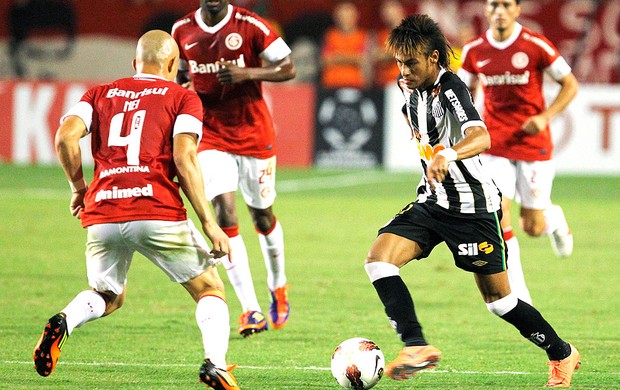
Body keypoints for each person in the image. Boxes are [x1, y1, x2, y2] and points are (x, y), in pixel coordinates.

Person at [364, 14, 580, 388]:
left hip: (473, 209)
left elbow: (481, 136)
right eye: (399, 62)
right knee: (379, 261)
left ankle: (562, 353)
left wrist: (446, 154)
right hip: (432, 201)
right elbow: (415, 117)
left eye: (411, 63)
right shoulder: (407, 87)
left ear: (434, 58)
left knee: (500, 302)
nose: (404, 70)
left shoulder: (452, 87)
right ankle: (416, 346)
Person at [33, 30, 239, 389]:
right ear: (173, 64)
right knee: (210, 289)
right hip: (156, 208)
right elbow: (184, 155)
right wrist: (210, 223)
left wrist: (79, 188)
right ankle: (215, 365)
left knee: (108, 296)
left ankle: (65, 320)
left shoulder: (99, 93)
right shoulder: (183, 97)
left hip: (104, 211)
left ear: (134, 64)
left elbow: (65, 136)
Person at [171, 0, 296, 337]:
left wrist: (248, 73)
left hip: (255, 134)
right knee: (224, 214)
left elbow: (288, 68)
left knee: (263, 217)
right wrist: (183, 88)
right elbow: (180, 74)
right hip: (211, 134)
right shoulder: (182, 30)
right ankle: (250, 309)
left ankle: (278, 285)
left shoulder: (252, 26)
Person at [457, 0, 578, 304]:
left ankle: (553, 218)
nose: (499, 10)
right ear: (486, 11)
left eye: (506, 4)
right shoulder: (474, 51)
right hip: (494, 144)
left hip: (531, 143)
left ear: (516, 10)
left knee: (532, 226)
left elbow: (570, 84)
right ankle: (519, 295)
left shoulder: (535, 45)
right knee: (500, 216)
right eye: (494, 4)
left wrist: (545, 117)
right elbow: (462, 93)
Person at [320, 1, 370, 89]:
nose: (344, 19)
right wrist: (352, 58)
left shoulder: (363, 36)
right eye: (341, 15)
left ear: (355, 16)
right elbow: (326, 60)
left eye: (347, 15)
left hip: (356, 85)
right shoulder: (330, 35)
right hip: (331, 85)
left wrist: (337, 56)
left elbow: (363, 59)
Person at [372, 0, 406, 88]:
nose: (387, 12)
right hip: (385, 83)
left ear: (400, 10)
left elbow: (413, 52)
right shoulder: (380, 35)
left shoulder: (412, 32)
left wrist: (388, 53)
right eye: (385, 9)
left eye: (391, 8)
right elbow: (377, 56)